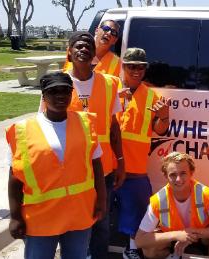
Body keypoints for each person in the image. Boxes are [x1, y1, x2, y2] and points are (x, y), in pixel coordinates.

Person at [6, 72, 106, 259]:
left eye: (65, 91)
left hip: (78, 215)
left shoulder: (85, 124)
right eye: (54, 91)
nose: (60, 96)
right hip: (41, 219)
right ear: (44, 96)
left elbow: (97, 166)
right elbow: (14, 178)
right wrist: (15, 216)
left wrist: (101, 200)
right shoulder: (22, 131)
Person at [66, 31, 125, 259]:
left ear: (94, 55)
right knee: (73, 222)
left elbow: (113, 128)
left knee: (101, 223)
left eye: (88, 46)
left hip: (104, 170)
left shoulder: (110, 84)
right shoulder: (58, 83)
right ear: (69, 52)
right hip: (71, 170)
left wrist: (120, 162)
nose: (83, 49)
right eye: (78, 46)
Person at [115, 47, 171, 259]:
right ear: (124, 67)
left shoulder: (152, 96)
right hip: (108, 164)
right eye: (131, 66)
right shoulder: (112, 90)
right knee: (99, 212)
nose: (136, 71)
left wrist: (164, 116)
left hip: (135, 167)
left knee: (137, 210)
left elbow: (159, 130)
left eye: (140, 67)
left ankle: (131, 248)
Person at [136, 152, 209, 259]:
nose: (178, 179)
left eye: (183, 173)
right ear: (165, 176)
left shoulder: (204, 193)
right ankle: (171, 256)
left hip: (202, 236)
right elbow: (140, 241)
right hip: (173, 239)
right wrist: (176, 235)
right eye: (173, 175)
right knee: (149, 249)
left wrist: (191, 234)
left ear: (191, 173)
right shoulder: (158, 200)